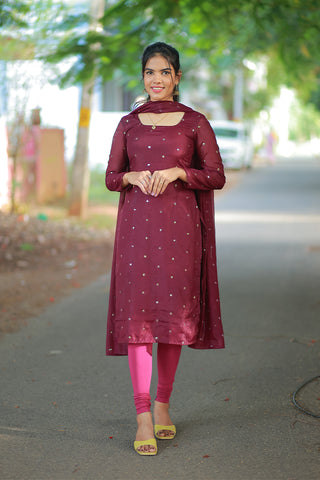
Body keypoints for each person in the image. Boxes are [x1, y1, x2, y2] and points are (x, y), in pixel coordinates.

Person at [105, 42, 226, 456]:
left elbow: (215, 175)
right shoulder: (129, 123)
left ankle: (162, 407)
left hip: (180, 229)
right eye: (149, 72)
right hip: (137, 229)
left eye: (164, 72)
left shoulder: (195, 123)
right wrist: (132, 177)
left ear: (177, 77)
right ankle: (141, 416)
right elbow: (110, 176)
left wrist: (179, 171)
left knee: (171, 318)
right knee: (138, 319)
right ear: (143, 76)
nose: (156, 79)